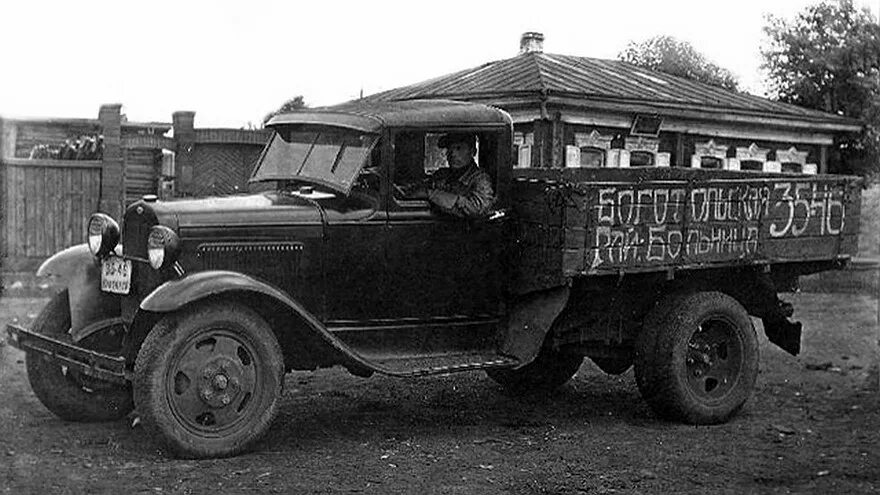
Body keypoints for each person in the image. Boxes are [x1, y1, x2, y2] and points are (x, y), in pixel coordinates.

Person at [399, 133, 495, 218]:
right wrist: (404, 190)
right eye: (450, 149)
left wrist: (432, 194)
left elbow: (477, 209)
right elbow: (422, 187)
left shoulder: (481, 180)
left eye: (459, 148)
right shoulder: (442, 174)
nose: (452, 154)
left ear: (473, 151)